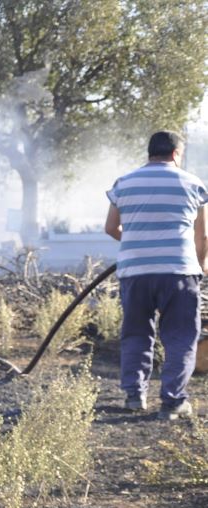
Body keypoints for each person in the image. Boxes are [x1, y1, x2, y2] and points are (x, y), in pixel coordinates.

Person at [104, 131, 208, 420]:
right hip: (179, 272)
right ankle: (173, 401)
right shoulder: (193, 184)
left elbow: (111, 228)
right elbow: (204, 237)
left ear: (150, 152)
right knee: (180, 336)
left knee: (137, 332)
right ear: (176, 154)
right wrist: (202, 263)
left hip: (135, 271)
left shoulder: (124, 183)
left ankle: (135, 396)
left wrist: (138, 241)